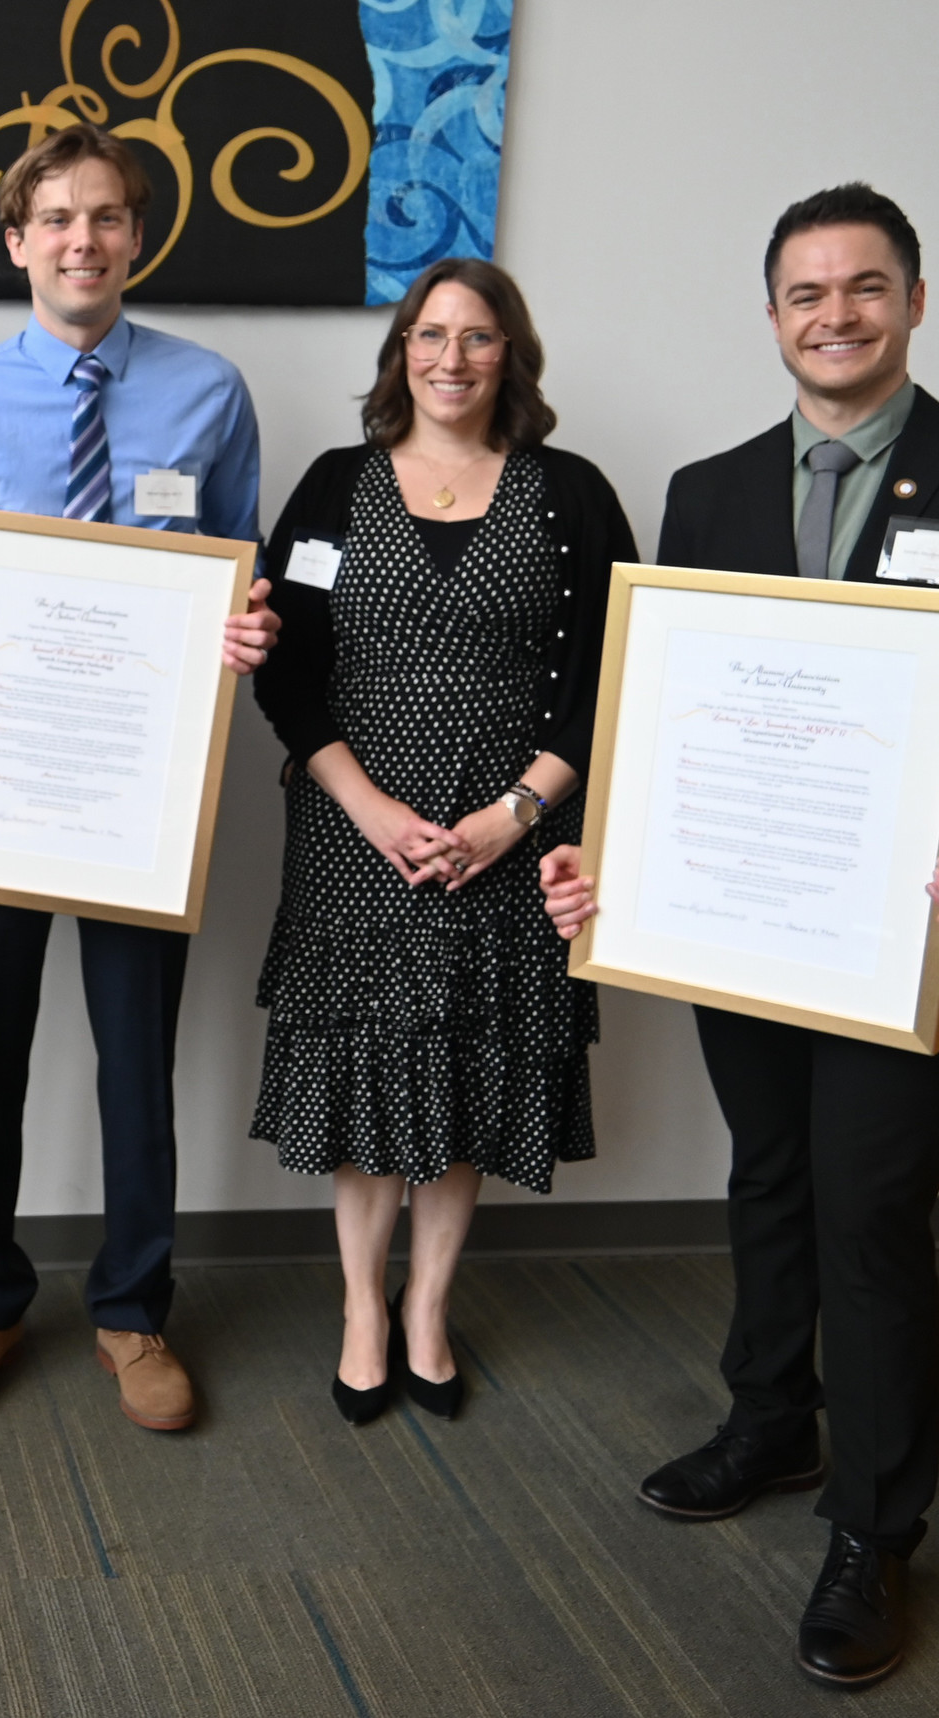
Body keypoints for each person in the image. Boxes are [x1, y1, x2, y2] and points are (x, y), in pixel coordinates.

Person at [540, 183, 939, 1688]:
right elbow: (674, 706)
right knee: (767, 1171)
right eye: (806, 294)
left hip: (903, 932)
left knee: (871, 1214)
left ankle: (876, 1528)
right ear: (771, 317)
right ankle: (768, 1416)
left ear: (915, 302)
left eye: (864, 288)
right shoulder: (711, 486)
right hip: (738, 914)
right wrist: (610, 861)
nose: (835, 315)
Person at [0, 123, 280, 1434]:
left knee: (132, 1058)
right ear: (16, 241)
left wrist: (248, 634)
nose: (81, 240)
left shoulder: (210, 392)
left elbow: (235, 574)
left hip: (137, 799)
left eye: (104, 217)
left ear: (134, 237)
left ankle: (132, 1311)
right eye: (56, 219)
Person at [249, 258, 633, 1428]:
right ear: (399, 351)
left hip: (508, 835)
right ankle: (363, 1309)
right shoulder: (330, 487)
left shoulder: (567, 494)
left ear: (509, 353)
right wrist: (368, 809)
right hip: (351, 832)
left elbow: (610, 676)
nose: (450, 358)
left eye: (475, 337)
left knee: (467, 1072)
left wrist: (507, 817)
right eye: (429, 334)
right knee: (367, 1076)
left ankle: (429, 1307)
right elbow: (285, 674)